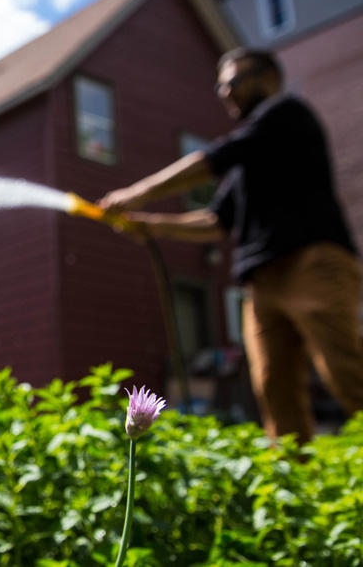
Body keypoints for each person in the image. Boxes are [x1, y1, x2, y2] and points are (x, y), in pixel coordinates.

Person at [99, 48, 363, 444]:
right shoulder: (246, 162)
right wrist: (154, 226)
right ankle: (297, 482)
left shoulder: (286, 116)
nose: (225, 91)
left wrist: (138, 193)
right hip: (261, 282)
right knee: (273, 386)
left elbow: (213, 159)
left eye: (234, 80)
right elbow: (215, 221)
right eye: (221, 84)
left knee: (346, 369)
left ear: (269, 78)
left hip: (312, 262)